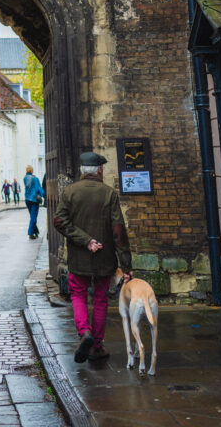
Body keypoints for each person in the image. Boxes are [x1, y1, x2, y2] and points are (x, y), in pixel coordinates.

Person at [53, 151, 133, 364]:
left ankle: (84, 333)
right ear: (99, 170)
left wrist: (85, 240)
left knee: (78, 294)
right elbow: (118, 231)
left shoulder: (70, 192)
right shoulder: (109, 193)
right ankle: (96, 346)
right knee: (100, 299)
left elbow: (59, 221)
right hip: (105, 258)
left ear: (82, 171)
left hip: (79, 257)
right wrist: (126, 265)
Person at [24, 165, 44, 239]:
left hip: (27, 199)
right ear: (32, 170)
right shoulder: (35, 179)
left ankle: (35, 231)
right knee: (33, 217)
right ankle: (30, 233)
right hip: (34, 200)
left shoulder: (25, 178)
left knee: (32, 217)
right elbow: (39, 189)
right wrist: (44, 195)